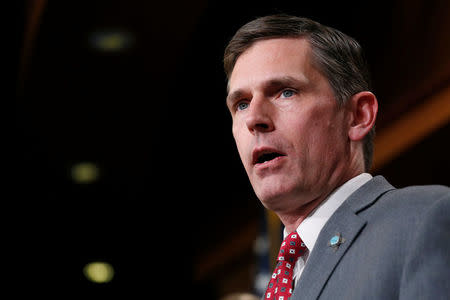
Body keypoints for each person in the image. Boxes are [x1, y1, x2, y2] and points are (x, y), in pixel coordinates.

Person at [224, 14, 450, 300]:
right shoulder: (283, 276)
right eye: (241, 104)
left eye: (286, 92)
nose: (254, 119)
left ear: (357, 116)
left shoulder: (424, 220)